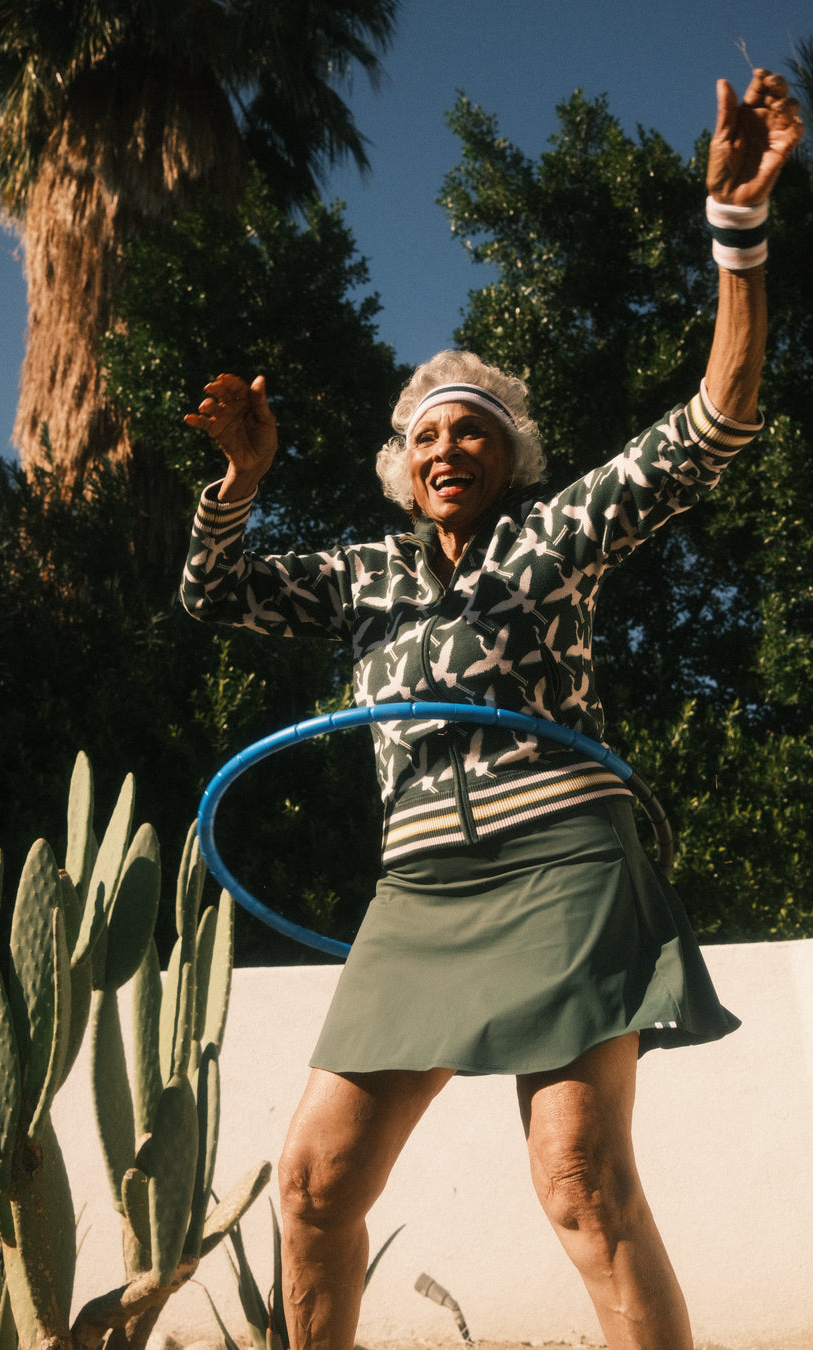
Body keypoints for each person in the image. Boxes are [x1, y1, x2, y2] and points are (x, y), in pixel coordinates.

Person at [180, 71, 802, 1350]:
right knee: (311, 1189)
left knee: (581, 1185)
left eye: (472, 431)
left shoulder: (548, 542)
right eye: (426, 437)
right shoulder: (357, 578)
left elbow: (714, 429)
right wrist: (241, 479)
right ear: (401, 471)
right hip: (416, 897)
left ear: (507, 454)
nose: (448, 447)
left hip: (560, 864)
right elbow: (211, 593)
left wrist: (735, 237)